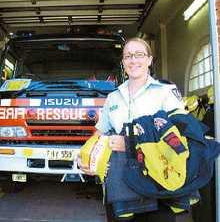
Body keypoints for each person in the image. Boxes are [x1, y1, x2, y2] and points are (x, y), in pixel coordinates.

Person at [78, 37, 191, 222]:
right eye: (128, 56)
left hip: (158, 182)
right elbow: (100, 134)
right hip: (119, 182)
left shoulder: (165, 93)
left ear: (149, 60)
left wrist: (130, 143)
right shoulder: (113, 98)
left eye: (139, 54)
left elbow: (181, 137)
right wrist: (85, 155)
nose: (133, 60)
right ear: (123, 63)